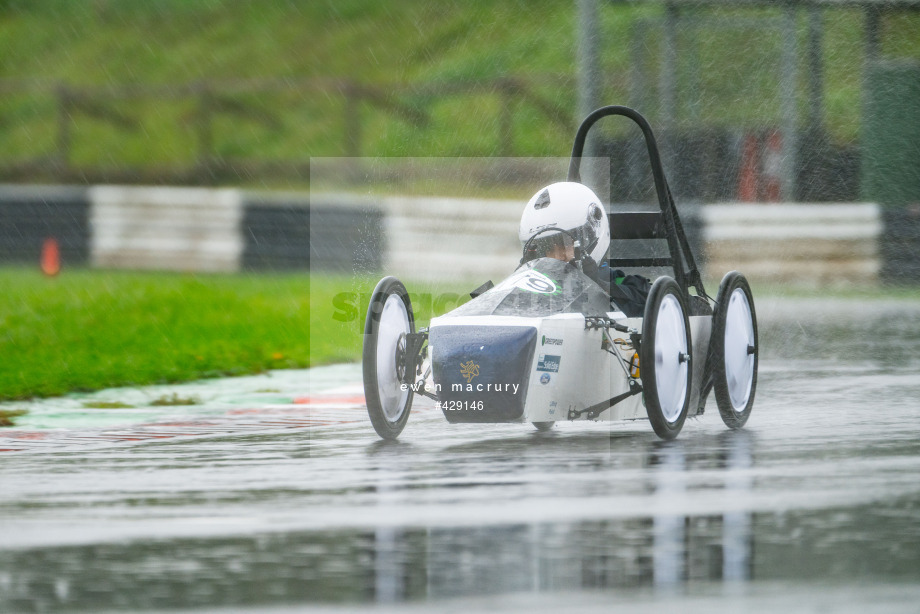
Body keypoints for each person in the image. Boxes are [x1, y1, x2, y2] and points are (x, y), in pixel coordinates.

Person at [518, 182, 650, 317]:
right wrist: (518, 282)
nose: (557, 256)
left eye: (565, 244)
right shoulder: (536, 296)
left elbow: (650, 303)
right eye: (547, 248)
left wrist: (597, 285)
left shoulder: (628, 287)